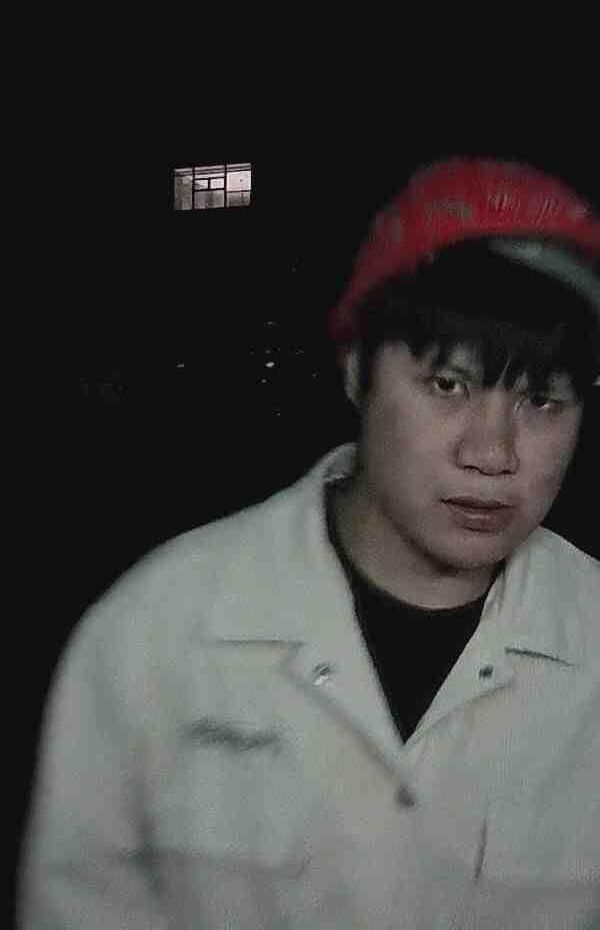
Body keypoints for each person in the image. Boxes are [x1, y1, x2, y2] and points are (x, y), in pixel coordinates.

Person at [18, 157, 600, 929]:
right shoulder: (156, 631)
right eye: (448, 385)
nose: (492, 454)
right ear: (358, 371)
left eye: (542, 399)